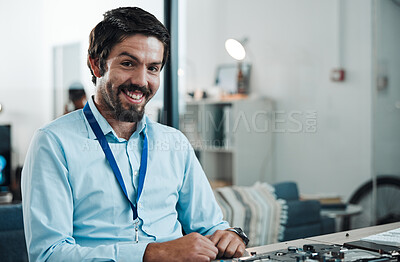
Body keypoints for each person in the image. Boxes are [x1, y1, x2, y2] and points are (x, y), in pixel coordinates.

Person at [22, 7, 247, 262]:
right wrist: (150, 253)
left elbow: (211, 228)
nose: (142, 80)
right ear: (96, 64)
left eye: (153, 68)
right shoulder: (53, 143)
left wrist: (229, 235)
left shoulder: (174, 143)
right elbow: (48, 255)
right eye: (128, 63)